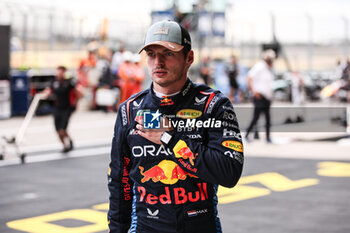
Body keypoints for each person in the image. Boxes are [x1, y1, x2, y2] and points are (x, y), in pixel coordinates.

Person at [108, 20, 244, 233]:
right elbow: (119, 182)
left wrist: (169, 138)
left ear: (189, 58)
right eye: (151, 54)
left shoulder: (213, 105)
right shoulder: (130, 110)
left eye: (168, 53)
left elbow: (229, 172)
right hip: (145, 227)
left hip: (200, 226)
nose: (158, 62)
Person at [42, 66, 82, 153]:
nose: (59, 73)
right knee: (58, 130)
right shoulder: (54, 82)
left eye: (61, 72)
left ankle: (68, 143)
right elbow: (48, 90)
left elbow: (78, 93)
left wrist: (75, 103)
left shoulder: (68, 82)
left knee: (62, 130)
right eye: (58, 71)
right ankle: (65, 145)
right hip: (57, 108)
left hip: (67, 108)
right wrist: (44, 94)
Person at [245, 49, 276, 143]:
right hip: (259, 96)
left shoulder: (268, 69)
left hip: (267, 97)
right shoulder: (260, 66)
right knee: (256, 117)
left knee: (268, 118)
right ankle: (247, 134)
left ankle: (267, 137)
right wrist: (254, 92)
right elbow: (249, 77)